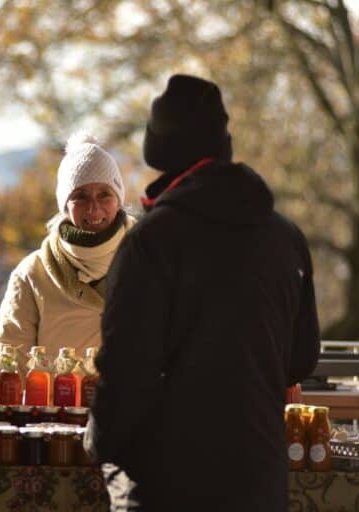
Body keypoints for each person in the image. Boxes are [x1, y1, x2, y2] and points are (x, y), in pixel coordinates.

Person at [89, 75, 321, 510]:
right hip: (259, 475)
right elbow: (302, 358)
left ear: (157, 149)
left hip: (167, 479)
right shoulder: (285, 237)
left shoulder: (152, 242)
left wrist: (102, 445)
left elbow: (126, 369)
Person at [0, 132, 134, 356]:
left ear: (119, 199)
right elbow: (10, 356)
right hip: (54, 382)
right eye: (80, 196)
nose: (94, 208)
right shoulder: (32, 274)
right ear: (65, 205)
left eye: (104, 194)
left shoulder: (150, 262)